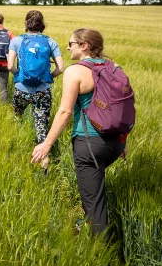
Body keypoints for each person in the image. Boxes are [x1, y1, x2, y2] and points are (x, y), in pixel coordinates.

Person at [31, 28, 126, 235]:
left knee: (95, 203)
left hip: (90, 143)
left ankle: (99, 249)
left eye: (71, 43)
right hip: (117, 142)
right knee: (93, 189)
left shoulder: (75, 71)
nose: (67, 47)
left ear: (84, 46)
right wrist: (121, 136)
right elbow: (121, 105)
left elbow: (65, 112)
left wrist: (46, 144)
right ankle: (86, 224)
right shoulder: (114, 67)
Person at [8, 10, 64, 167]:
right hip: (43, 91)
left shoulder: (17, 41)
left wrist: (18, 76)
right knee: (42, 129)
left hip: (21, 89)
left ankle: (15, 145)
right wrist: (49, 77)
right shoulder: (50, 42)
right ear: (42, 25)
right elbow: (61, 68)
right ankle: (44, 162)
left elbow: (10, 66)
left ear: (26, 23)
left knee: (16, 116)